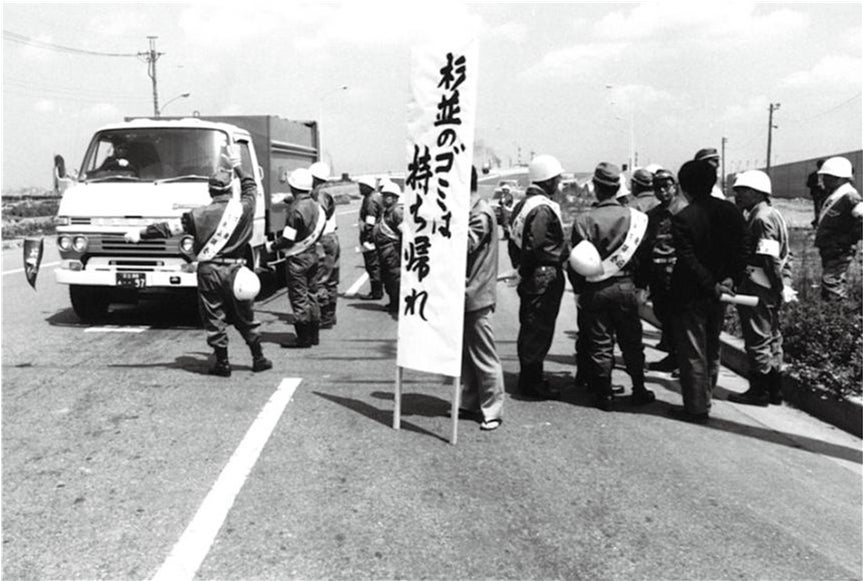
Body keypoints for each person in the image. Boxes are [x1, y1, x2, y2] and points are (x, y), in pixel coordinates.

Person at [123, 146, 272, 376]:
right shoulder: (244, 208)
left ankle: (222, 363)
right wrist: (237, 166)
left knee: (214, 316)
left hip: (209, 271)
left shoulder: (196, 215)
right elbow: (251, 187)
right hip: (236, 270)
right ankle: (258, 357)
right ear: (230, 189)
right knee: (245, 315)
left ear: (210, 191)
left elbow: (168, 229)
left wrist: (140, 234)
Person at [568, 162, 655, 411]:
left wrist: (578, 290)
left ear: (596, 187)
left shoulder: (584, 220)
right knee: (632, 341)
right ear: (618, 188)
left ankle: (604, 393)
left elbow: (576, 261)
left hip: (595, 288)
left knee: (600, 343)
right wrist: (642, 286)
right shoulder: (635, 218)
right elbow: (645, 257)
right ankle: (639, 388)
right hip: (626, 285)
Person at [667, 159, 746, 423]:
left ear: (684, 187)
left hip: (691, 293)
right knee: (713, 346)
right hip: (721, 292)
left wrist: (710, 284)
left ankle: (697, 407)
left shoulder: (683, 218)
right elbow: (742, 251)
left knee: (693, 351)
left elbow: (688, 260)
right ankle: (706, 397)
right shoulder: (731, 212)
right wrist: (730, 280)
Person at [727, 170, 794, 406]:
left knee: (757, 337)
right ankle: (774, 389)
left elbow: (769, 258)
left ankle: (759, 390)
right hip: (768, 283)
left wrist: (778, 285)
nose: (737, 196)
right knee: (772, 336)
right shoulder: (770, 214)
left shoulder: (760, 219)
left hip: (759, 284)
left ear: (758, 193)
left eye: (742, 191)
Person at [508, 154, 569, 399]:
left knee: (531, 325)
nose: (559, 184)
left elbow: (515, 243)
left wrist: (520, 268)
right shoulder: (542, 208)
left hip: (532, 274)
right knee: (538, 329)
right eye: (556, 179)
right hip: (544, 274)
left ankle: (530, 376)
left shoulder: (522, 205)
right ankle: (532, 382)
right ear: (548, 179)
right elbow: (535, 246)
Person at [460, 166, 505, 430]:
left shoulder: (479, 214)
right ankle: (470, 401)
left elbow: (463, 245)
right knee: (467, 354)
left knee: (484, 355)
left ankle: (492, 410)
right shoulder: (471, 211)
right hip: (467, 293)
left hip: (476, 293)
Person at [272, 168, 325, 348]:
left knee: (299, 297)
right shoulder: (316, 205)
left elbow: (288, 239)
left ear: (293, 187)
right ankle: (314, 336)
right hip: (312, 254)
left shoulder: (295, 210)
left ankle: (303, 339)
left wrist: (272, 246)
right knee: (312, 294)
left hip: (297, 259)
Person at [645, 168, 680, 374]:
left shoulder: (683, 212)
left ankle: (682, 359)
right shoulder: (652, 215)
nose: (663, 191)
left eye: (666, 186)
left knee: (678, 318)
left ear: (675, 187)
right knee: (663, 314)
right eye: (658, 187)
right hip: (657, 273)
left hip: (676, 273)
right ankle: (672, 356)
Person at [813, 156, 863, 302]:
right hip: (832, 248)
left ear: (839, 178)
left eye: (827, 177)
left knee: (832, 283)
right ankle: (833, 310)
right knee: (830, 282)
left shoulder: (850, 197)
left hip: (839, 249)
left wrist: (848, 238)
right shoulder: (836, 195)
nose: (823, 180)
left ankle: (840, 311)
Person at [310, 162, 340, 329]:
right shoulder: (328, 192)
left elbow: (320, 217)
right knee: (331, 280)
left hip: (323, 239)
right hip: (333, 237)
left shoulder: (319, 194)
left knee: (320, 279)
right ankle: (330, 315)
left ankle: (325, 317)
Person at [373, 180, 404, 314]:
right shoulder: (386, 212)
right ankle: (393, 301)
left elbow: (404, 232)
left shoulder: (397, 212)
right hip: (384, 251)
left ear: (395, 197)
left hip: (393, 251)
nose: (385, 198)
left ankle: (397, 304)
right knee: (387, 278)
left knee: (394, 278)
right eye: (384, 195)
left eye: (388, 196)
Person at [357, 176, 384, 300]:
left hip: (371, 237)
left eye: (361, 186)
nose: (359, 189)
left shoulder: (370, 201)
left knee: (372, 265)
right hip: (377, 235)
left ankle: (376, 292)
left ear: (368, 187)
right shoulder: (376, 197)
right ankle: (377, 290)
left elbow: (370, 221)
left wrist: (367, 239)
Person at [807, 159, 827, 227]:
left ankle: (820, 222)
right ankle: (817, 222)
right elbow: (808, 184)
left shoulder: (827, 175)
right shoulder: (812, 175)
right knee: (817, 209)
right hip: (816, 194)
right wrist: (816, 185)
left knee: (824, 208)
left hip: (825, 194)